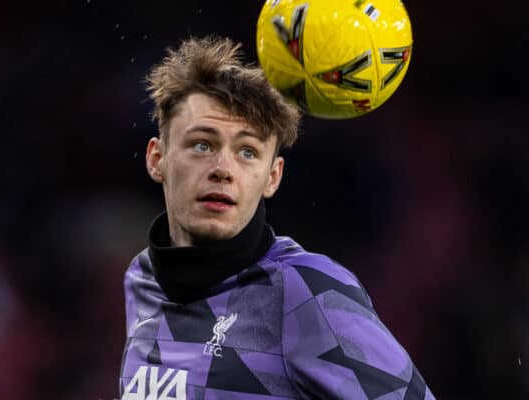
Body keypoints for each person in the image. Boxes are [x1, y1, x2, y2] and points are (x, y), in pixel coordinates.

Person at [119, 36, 435, 400]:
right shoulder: (142, 280)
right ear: (157, 159)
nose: (223, 169)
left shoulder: (304, 291)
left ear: (273, 177)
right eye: (202, 145)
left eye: (248, 152)